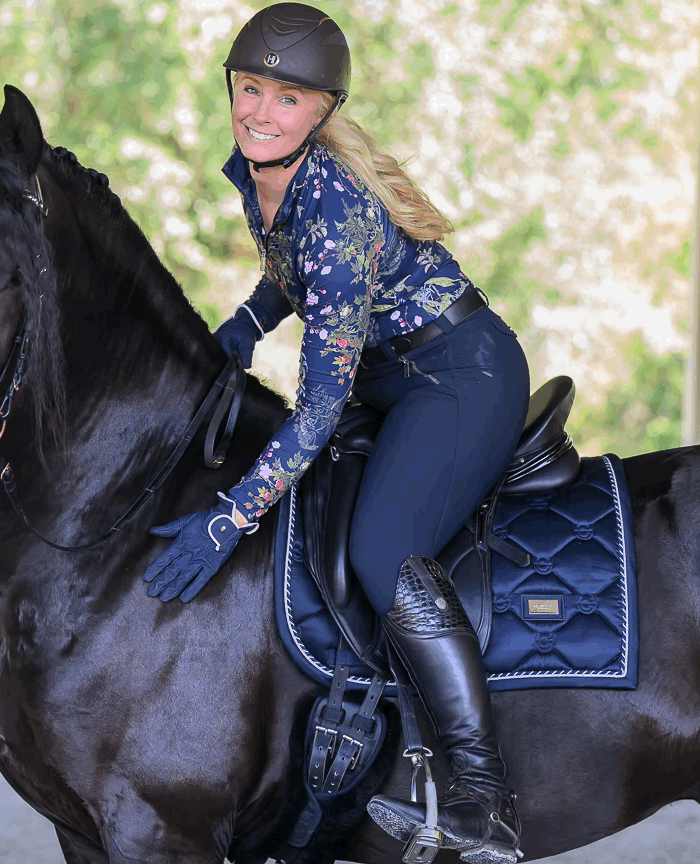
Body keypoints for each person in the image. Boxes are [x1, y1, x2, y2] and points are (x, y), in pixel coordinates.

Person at [142, 4, 529, 862]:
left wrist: (228, 516)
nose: (259, 111)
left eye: (286, 98)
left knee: (383, 545)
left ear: (321, 111)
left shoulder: (334, 205)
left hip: (457, 375)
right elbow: (296, 271)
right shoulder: (261, 171)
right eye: (249, 88)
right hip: (388, 377)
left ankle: (481, 793)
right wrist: (248, 317)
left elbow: (317, 407)